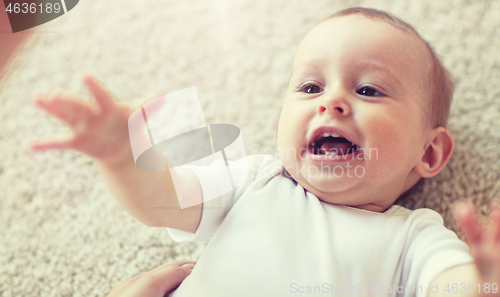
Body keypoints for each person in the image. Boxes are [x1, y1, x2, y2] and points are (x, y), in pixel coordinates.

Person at [31, 7, 500, 297]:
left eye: (370, 90)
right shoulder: (256, 180)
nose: (330, 101)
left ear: (431, 152)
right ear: (280, 128)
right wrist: (120, 157)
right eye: (311, 86)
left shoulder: (415, 237)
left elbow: (449, 284)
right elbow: (161, 200)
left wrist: (484, 280)